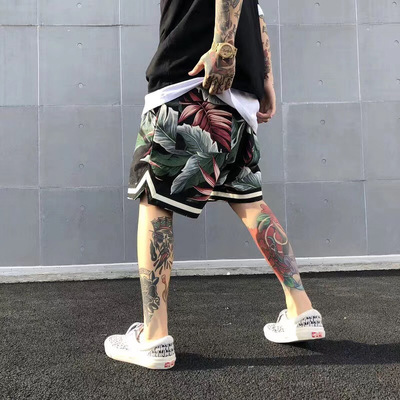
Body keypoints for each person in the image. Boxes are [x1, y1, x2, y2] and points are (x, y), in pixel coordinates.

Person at [104, 0, 325, 370]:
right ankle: (302, 311)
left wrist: (223, 50)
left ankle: (154, 338)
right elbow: (256, 14)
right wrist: (265, 80)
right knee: (249, 202)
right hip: (239, 98)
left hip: (189, 81)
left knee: (155, 201)